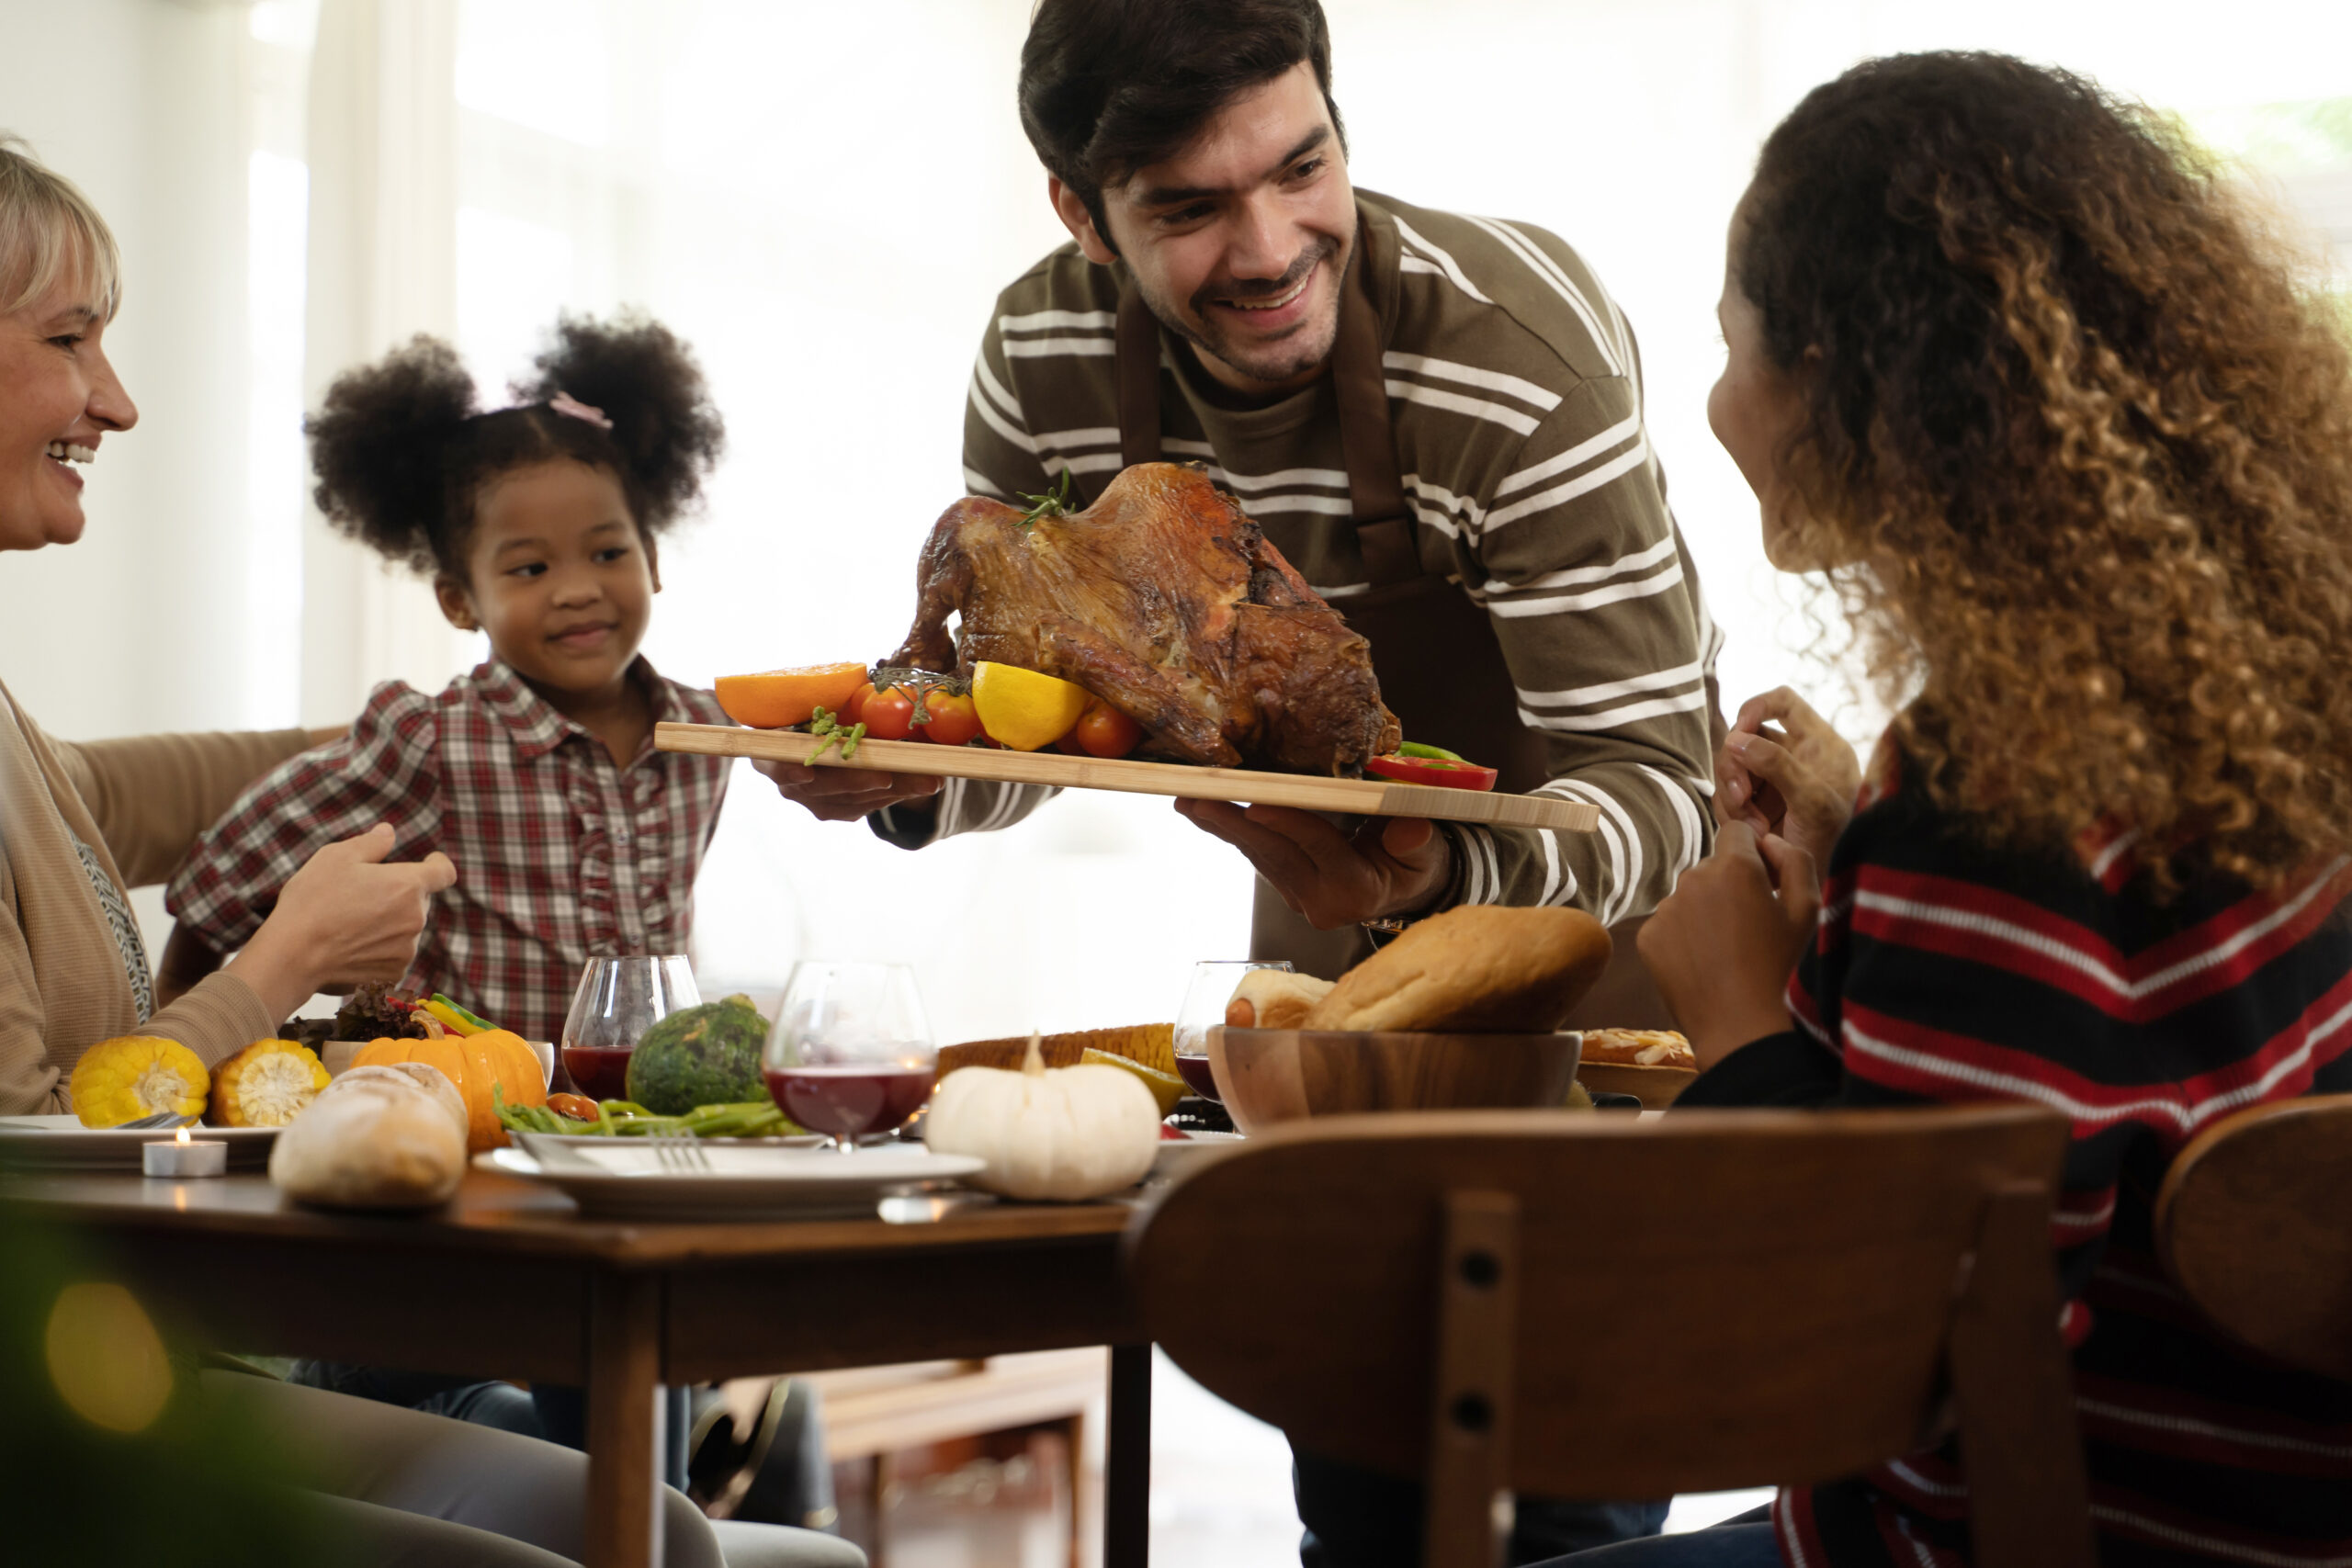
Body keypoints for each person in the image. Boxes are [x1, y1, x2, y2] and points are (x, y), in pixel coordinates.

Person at [0, 138, 856, 1568]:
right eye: (71, 338)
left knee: (673, 1525)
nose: (120, 398)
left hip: (148, 1344)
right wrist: (286, 962)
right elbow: (26, 1146)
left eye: (607, 553)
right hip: (60, 1393)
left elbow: (119, 792)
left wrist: (464, 726)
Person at [1575, 51, 2352, 1566]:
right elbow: (2105, 1043)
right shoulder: (2262, 672)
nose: (1722, 403)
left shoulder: (1993, 790)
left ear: (1852, 386)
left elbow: (1883, 1352)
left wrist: (1737, 1013)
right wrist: (1860, 884)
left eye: (1734, 350)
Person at [763, 0, 1720, 1024]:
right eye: (1188, 210)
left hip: (1602, 953)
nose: (1270, 253)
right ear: (1082, 215)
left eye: (1301, 170)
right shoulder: (1044, 359)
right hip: (1322, 924)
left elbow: (1661, 788)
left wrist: (1435, 876)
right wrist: (912, 782)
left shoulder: (1514, 364)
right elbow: (1047, 715)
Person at [159, 316, 733, 1046]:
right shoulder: (433, 739)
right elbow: (233, 864)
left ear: (652, 558)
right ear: (460, 601)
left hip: (636, 1115)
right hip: (466, 1114)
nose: (578, 589)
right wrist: (179, 1006)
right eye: (531, 567)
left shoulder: (705, 730)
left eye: (608, 551)